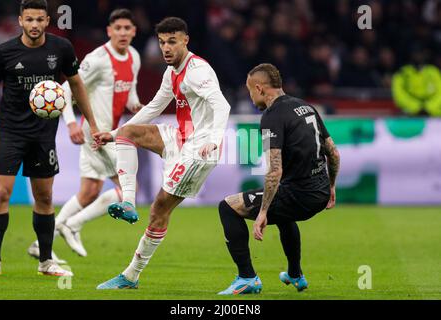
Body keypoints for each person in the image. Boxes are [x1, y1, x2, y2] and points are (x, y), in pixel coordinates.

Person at [93, 17, 231, 289]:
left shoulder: (197, 71)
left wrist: (214, 140)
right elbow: (154, 107)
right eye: (162, 42)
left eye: (172, 41)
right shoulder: (171, 72)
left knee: (159, 209)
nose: (166, 48)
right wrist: (114, 132)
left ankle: (131, 275)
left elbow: (222, 106)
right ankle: (128, 203)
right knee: (127, 133)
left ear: (185, 41)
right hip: (179, 139)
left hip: (199, 149)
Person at [0, 0, 98, 277]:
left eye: (39, 20)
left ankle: (46, 261)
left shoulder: (60, 48)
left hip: (43, 135)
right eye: (29, 20)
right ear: (20, 21)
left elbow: (77, 86)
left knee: (45, 196)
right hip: (10, 133)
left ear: (48, 20)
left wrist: (93, 123)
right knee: (1, 193)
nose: (34, 25)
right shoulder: (3, 52)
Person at [27, 8, 142, 260]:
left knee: (90, 191)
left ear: (134, 31)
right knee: (129, 188)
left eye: (127, 28)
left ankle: (41, 243)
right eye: (118, 28)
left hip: (111, 132)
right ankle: (73, 224)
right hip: (96, 134)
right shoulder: (97, 59)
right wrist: (70, 123)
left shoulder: (133, 56)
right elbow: (65, 89)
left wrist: (137, 107)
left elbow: (130, 93)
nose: (122, 33)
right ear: (109, 31)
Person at [217, 63, 340, 295]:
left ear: (260, 88)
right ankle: (295, 274)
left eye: (249, 90)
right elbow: (333, 152)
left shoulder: (271, 116)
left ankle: (247, 278)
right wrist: (331, 185)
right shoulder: (306, 106)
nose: (250, 96)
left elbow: (275, 170)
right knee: (284, 213)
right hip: (319, 191)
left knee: (227, 207)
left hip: (300, 195)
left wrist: (263, 211)